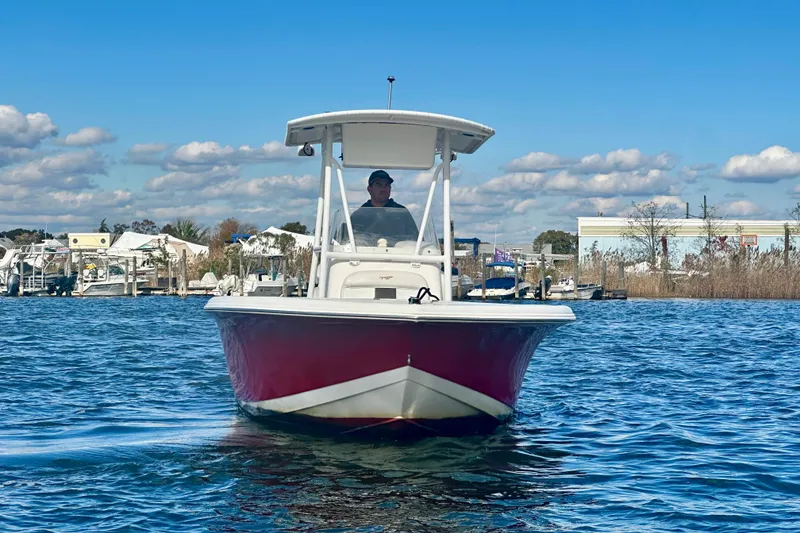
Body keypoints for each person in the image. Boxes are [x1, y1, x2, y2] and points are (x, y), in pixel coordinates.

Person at [348, 170, 419, 245]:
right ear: (369, 189)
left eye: (386, 185)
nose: (383, 188)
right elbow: (346, 242)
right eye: (379, 185)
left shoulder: (402, 213)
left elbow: (416, 241)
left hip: (396, 255)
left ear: (390, 188)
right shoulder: (359, 215)